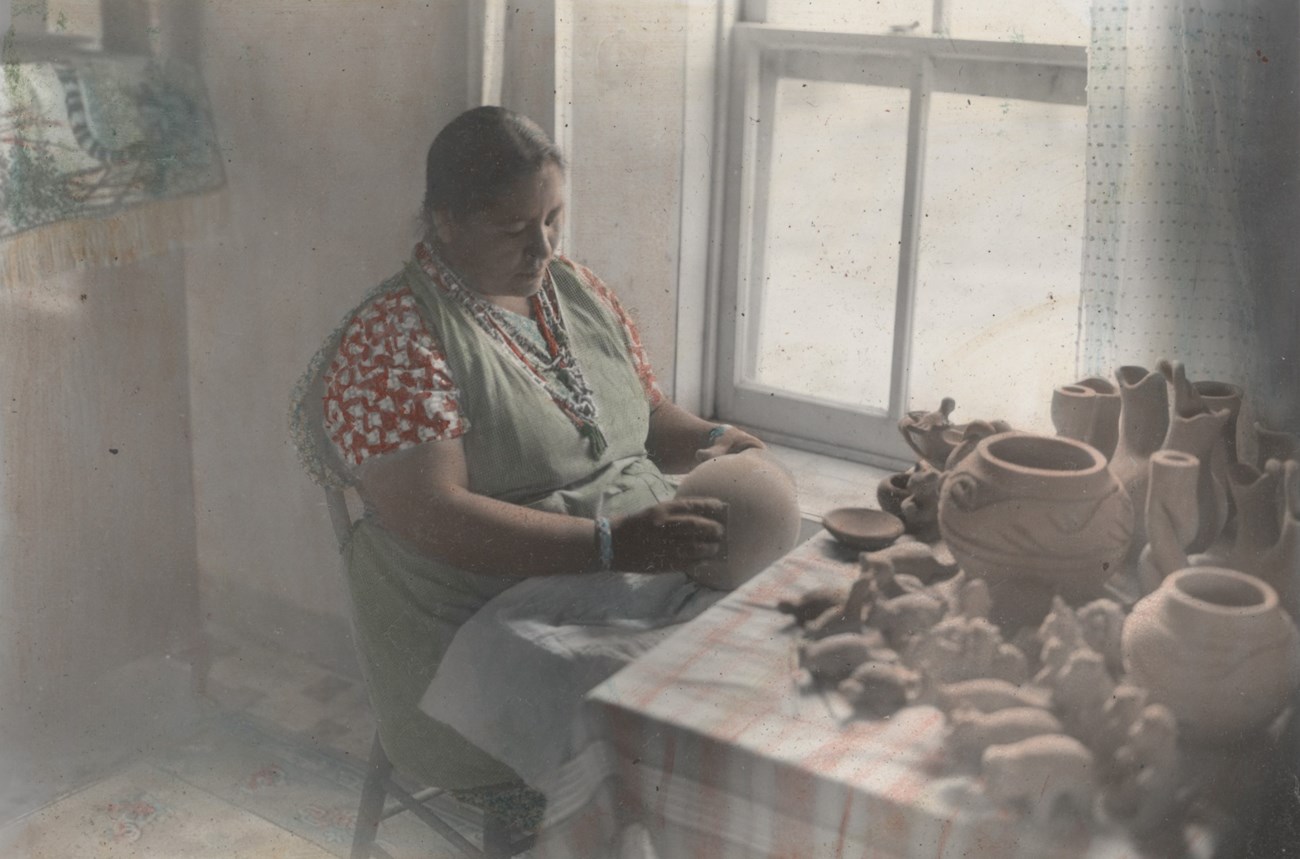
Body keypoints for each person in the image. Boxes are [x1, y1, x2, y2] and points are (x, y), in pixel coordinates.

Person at [291, 106, 764, 797]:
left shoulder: (572, 289)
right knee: (661, 713)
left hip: (622, 569)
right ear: (446, 222)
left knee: (746, 653)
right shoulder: (393, 337)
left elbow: (642, 413)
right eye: (514, 229)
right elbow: (435, 516)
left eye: (552, 220)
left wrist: (716, 441)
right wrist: (610, 545)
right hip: (479, 621)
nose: (542, 249)